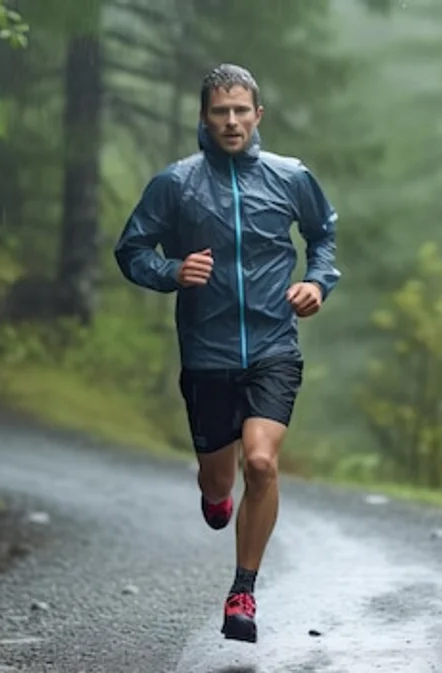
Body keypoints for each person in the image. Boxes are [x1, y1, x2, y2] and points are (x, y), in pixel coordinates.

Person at [112, 63, 340, 644]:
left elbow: (322, 235)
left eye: (241, 110)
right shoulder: (177, 184)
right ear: (204, 118)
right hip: (207, 353)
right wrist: (171, 270)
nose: (232, 121)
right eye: (221, 111)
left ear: (258, 115)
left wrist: (317, 282)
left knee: (261, 462)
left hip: (273, 345)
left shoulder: (291, 178)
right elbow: (132, 248)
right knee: (219, 481)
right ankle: (215, 492)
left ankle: (243, 591)